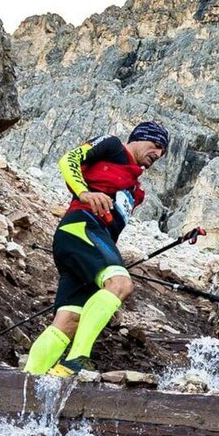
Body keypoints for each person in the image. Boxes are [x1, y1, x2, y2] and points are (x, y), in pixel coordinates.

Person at [22, 121, 169, 377]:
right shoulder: (112, 146)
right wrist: (84, 193)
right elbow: (69, 160)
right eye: (155, 144)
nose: (158, 153)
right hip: (81, 227)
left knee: (69, 321)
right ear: (138, 138)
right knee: (120, 284)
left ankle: (30, 380)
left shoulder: (136, 191)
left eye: (162, 151)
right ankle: (77, 360)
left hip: (89, 243)